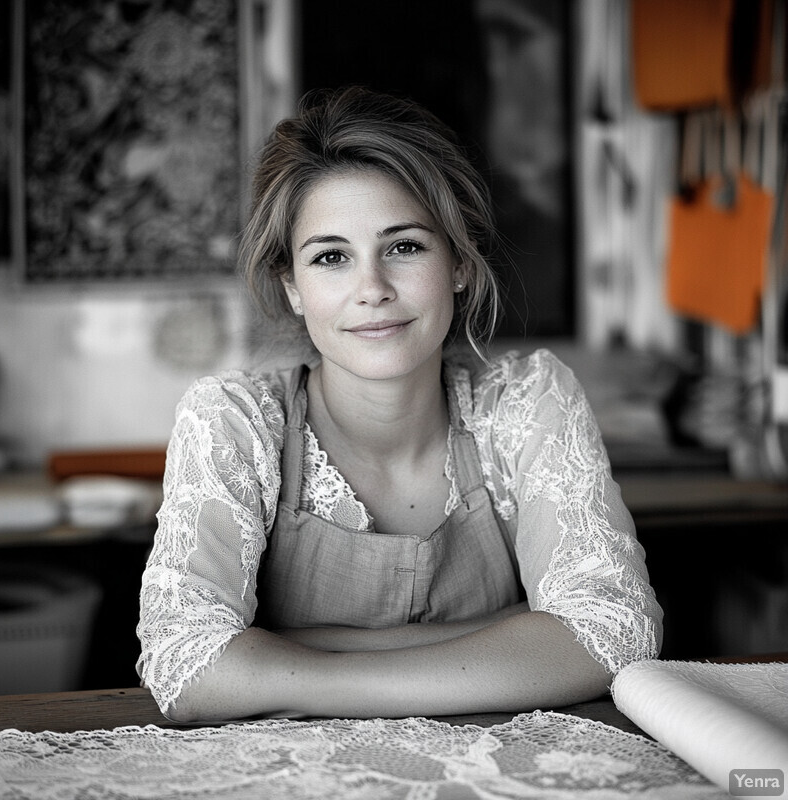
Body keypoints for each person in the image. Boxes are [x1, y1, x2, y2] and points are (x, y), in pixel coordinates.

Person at [136, 86, 662, 723]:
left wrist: (280, 660)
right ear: (293, 288)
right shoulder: (234, 420)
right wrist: (519, 634)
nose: (372, 289)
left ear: (460, 263)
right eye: (331, 257)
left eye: (405, 246)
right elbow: (185, 665)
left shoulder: (525, 400)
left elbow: (613, 633)